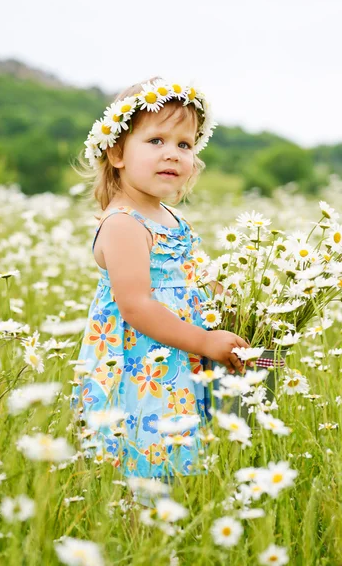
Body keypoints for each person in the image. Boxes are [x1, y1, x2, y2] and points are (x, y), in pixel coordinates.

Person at [71, 76, 249, 484]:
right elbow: (136, 305)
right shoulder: (123, 224)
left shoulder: (172, 219)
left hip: (180, 358)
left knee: (184, 459)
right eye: (156, 142)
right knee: (144, 460)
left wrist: (243, 307)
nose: (172, 154)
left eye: (184, 145)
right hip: (142, 365)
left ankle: (172, 538)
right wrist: (205, 341)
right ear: (117, 152)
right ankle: (140, 535)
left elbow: (199, 276)